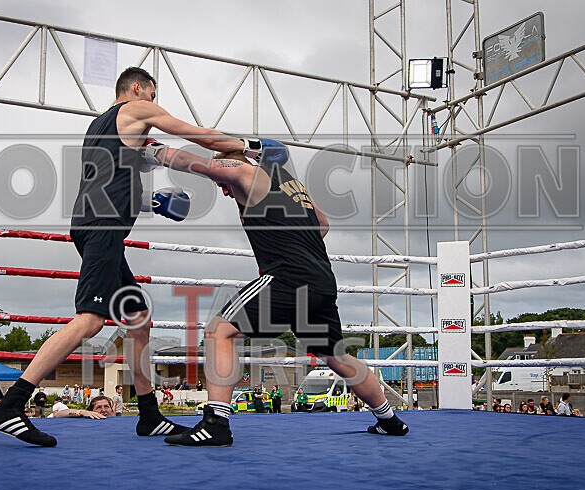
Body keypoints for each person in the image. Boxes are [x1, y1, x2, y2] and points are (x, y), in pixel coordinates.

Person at [0, 66, 272, 447]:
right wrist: (249, 146)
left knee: (139, 318)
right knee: (90, 321)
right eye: (152, 95)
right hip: (103, 228)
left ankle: (149, 415)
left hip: (97, 226)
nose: (154, 104)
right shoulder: (135, 109)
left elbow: (108, 182)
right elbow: (194, 133)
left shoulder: (98, 128)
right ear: (137, 88)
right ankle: (11, 404)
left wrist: (152, 203)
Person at [160, 146, 408, 446]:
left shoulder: (247, 173)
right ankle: (389, 420)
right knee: (336, 356)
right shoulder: (291, 185)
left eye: (222, 182)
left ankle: (216, 425)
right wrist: (294, 244)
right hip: (320, 280)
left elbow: (197, 163)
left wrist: (151, 152)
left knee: (219, 332)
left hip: (288, 278)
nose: (224, 190)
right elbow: (323, 223)